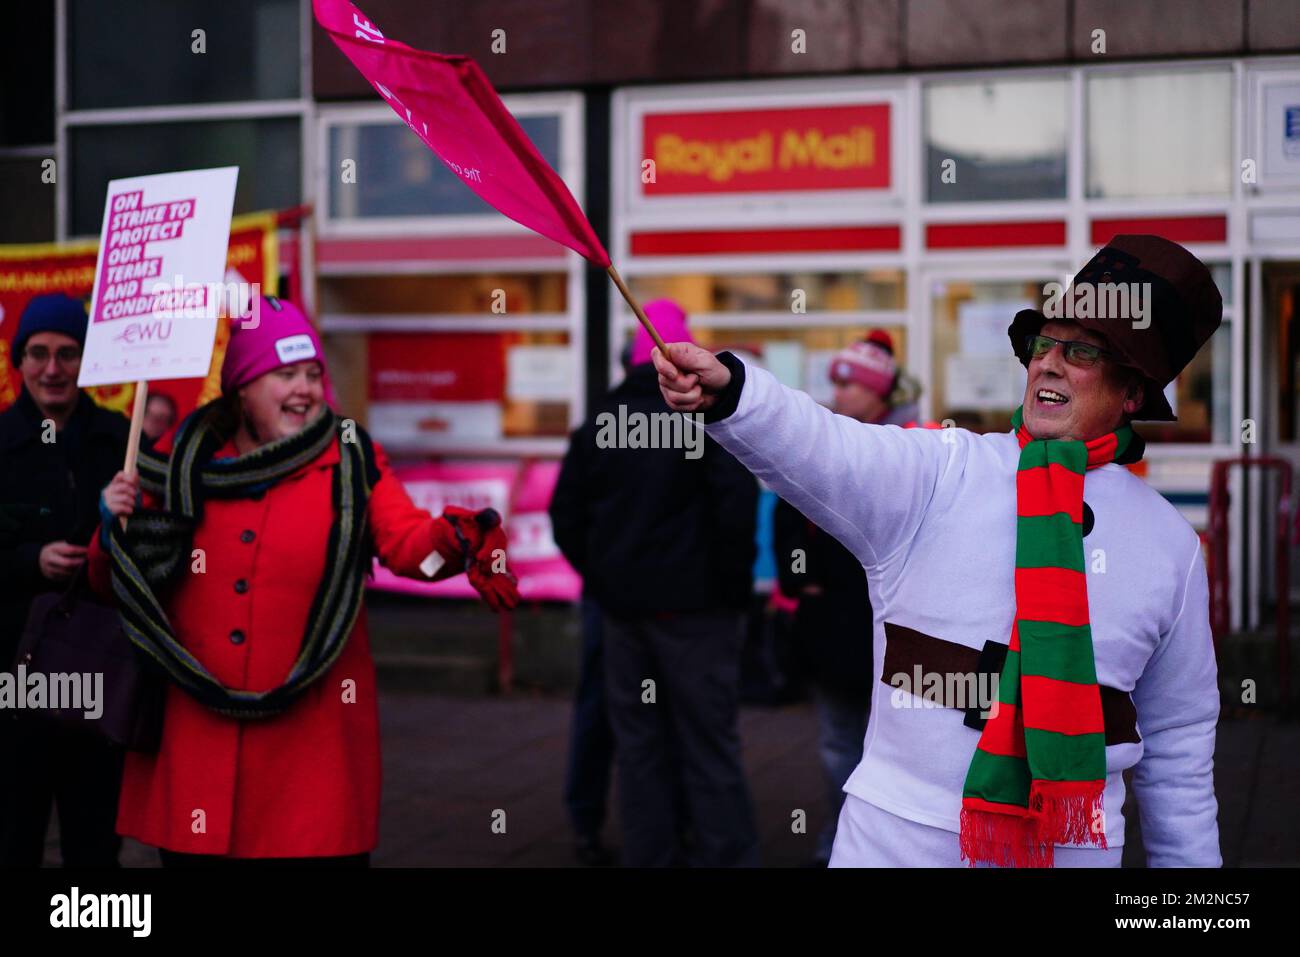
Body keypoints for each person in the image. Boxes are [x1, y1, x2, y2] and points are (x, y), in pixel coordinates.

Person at [655, 235, 1223, 867]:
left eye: (1083, 351)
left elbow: (1178, 744)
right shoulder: (944, 467)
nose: (1049, 364)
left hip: (1070, 850)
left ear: (1133, 393)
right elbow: (827, 447)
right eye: (1044, 344)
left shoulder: (1171, 544)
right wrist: (733, 391)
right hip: (896, 844)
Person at [88, 295, 519, 866]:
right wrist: (109, 526)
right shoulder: (176, 460)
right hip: (199, 753)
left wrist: (455, 541)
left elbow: (406, 547)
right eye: (284, 374)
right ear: (241, 387)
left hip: (309, 763)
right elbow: (111, 584)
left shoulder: (351, 456)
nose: (305, 389)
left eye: (313, 374)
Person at [550, 298, 761, 867]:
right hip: (699, 615)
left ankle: (652, 855)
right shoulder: (707, 422)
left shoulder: (600, 423)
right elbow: (736, 513)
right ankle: (726, 855)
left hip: (624, 616)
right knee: (709, 743)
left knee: (638, 748)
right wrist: (731, 591)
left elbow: (565, 517)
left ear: (632, 358)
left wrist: (606, 579)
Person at [772, 329, 922, 865]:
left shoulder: (912, 448)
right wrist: (802, 577)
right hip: (834, 626)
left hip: (896, 628)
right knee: (838, 743)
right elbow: (787, 513)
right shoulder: (818, 442)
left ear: (880, 392)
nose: (841, 395)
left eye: (852, 385)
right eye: (837, 384)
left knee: (897, 747)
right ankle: (838, 844)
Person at [0, 292, 129, 867]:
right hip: (15, 673)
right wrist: (31, 559)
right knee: (13, 830)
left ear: (89, 360)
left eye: (69, 354)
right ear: (18, 360)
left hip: (98, 665)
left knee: (95, 838)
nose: (52, 369)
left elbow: (162, 539)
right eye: (38, 353)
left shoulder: (120, 440)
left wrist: (123, 514)